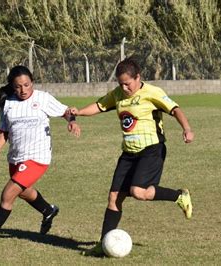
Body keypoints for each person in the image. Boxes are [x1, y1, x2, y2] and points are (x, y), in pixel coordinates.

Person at [68, 57, 194, 256]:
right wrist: (79, 112)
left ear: (138, 77)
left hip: (152, 149)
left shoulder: (152, 92)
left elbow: (175, 109)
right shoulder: (118, 94)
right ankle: (103, 244)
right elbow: (100, 106)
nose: (124, 87)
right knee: (114, 198)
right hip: (128, 153)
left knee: (138, 191)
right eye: (121, 83)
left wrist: (187, 129)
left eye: (128, 83)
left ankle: (179, 195)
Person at [0, 65, 81, 250]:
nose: (23, 90)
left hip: (38, 157)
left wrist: (72, 122)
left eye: (27, 85)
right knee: (23, 191)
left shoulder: (43, 98)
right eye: (18, 86)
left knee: (8, 194)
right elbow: (4, 131)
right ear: (12, 86)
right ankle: (48, 210)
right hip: (16, 157)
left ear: (32, 82)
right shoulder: (8, 103)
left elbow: (66, 111)